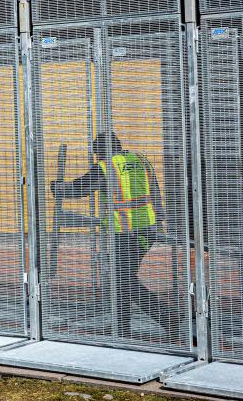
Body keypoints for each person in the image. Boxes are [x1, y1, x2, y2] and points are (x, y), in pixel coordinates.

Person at [51, 131, 180, 341]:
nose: (97, 158)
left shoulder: (106, 167)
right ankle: (122, 329)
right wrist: (159, 222)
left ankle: (167, 318)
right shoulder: (140, 159)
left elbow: (78, 189)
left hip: (127, 232)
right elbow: (154, 190)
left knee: (123, 280)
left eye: (96, 154)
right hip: (148, 229)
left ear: (100, 151)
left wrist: (56, 187)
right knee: (123, 280)